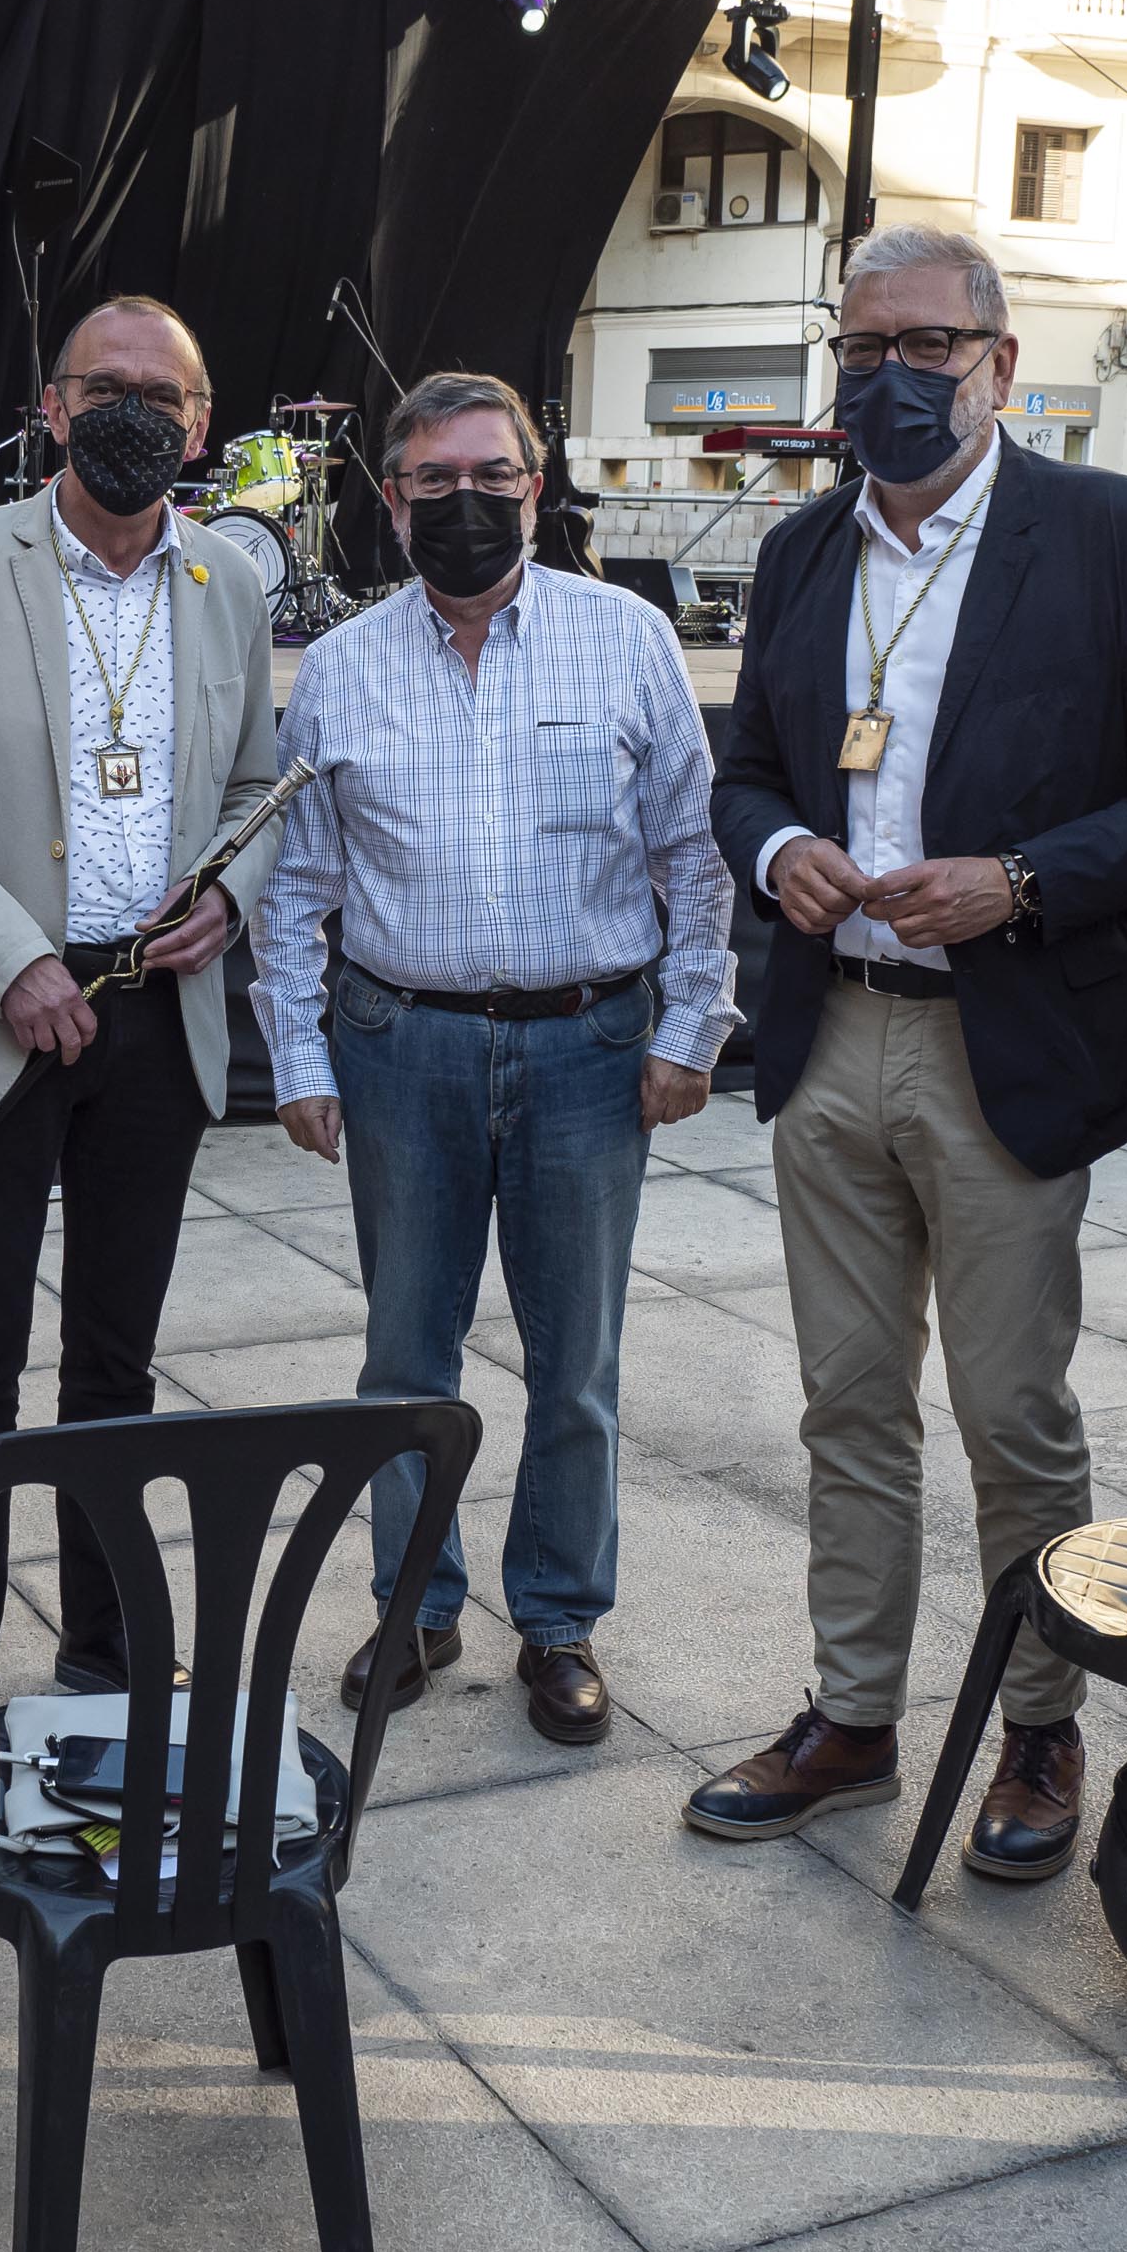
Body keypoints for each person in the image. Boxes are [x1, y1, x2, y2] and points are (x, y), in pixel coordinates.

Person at [685, 223, 1127, 1873]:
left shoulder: (1109, 533)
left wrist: (1021, 879)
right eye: (863, 346)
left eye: (927, 345)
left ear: (1002, 365)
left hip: (1006, 1042)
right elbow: (750, 768)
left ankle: (1038, 1723)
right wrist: (774, 845)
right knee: (848, 1402)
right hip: (832, 1033)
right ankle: (853, 1713)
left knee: (1012, 1409)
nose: (891, 375)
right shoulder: (804, 548)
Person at [251, 370, 735, 1746]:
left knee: (574, 1361)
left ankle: (560, 1620)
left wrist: (691, 1027)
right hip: (400, 1045)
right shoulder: (341, 664)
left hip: (590, 1046)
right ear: (391, 501)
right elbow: (298, 882)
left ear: (536, 487)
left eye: (491, 477)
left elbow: (694, 856)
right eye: (434, 482)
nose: (464, 503)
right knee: (405, 1356)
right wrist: (297, 1054)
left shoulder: (627, 639)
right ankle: (414, 1604)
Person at [0, 295, 285, 1691]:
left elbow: (257, 784)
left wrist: (230, 894)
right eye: (105, 389)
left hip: (157, 1021)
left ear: (200, 427)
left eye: (163, 398)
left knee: (116, 1357)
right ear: (50, 407)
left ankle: (104, 1651)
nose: (132, 416)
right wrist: (13, 961)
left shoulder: (229, 580)